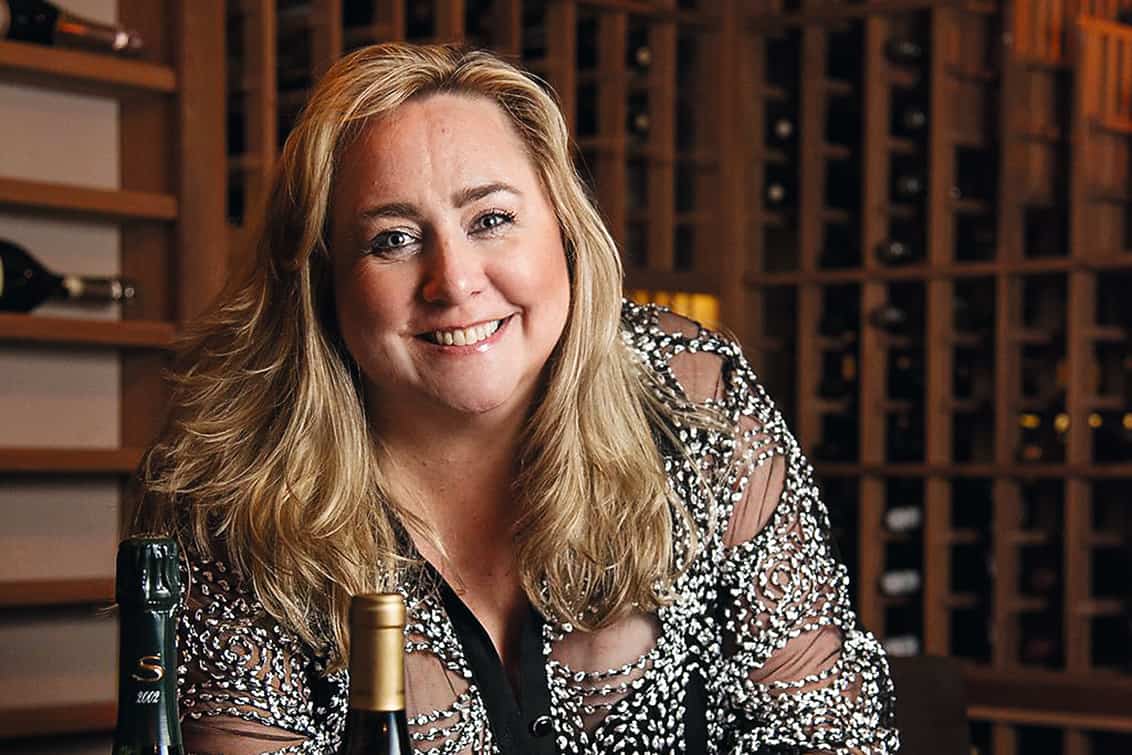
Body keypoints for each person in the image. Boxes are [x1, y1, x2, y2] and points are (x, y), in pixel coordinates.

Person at [132, 42, 899, 754]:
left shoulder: (691, 397)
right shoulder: (235, 495)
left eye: (491, 219)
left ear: (564, 229)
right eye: (393, 238)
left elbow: (831, 727)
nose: (455, 281)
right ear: (323, 279)